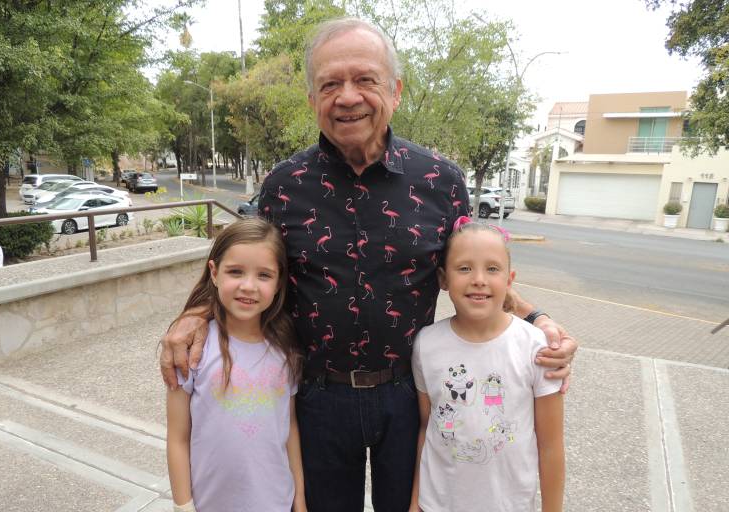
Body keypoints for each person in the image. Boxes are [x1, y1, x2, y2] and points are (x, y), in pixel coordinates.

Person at [161, 18, 577, 512]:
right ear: (312, 99)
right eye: (329, 84)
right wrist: (194, 315)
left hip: (408, 396)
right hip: (317, 396)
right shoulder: (283, 186)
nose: (347, 97)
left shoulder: (441, 181)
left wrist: (536, 319)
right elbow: (243, 265)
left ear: (395, 91)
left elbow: (473, 275)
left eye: (365, 79)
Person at [409, 218, 564, 512]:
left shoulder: (535, 346)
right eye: (464, 268)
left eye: (492, 269)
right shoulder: (425, 345)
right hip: (438, 504)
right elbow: (427, 428)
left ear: (509, 280)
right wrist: (416, 501)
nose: (479, 279)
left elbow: (551, 446)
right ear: (443, 279)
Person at [165, 218, 306, 512]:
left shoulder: (287, 350)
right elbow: (178, 437)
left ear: (279, 282)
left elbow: (289, 427)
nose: (248, 286)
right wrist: (183, 505)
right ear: (214, 273)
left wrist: (300, 501)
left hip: (276, 503)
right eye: (235, 271)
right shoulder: (192, 350)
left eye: (264, 275)